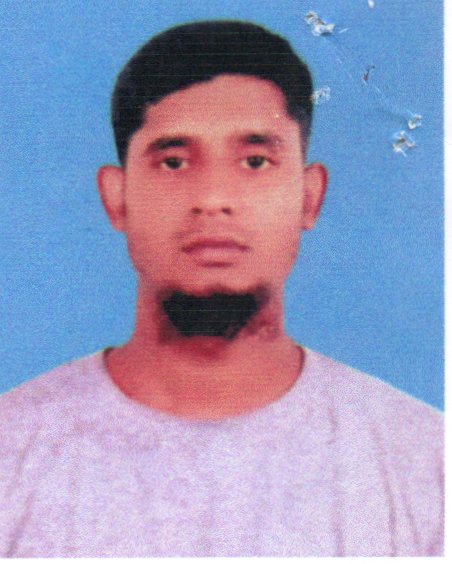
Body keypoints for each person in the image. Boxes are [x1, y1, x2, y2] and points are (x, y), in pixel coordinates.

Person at [0, 20, 443, 557]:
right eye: (174, 162)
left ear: (310, 196)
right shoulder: (12, 451)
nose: (213, 199)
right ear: (117, 197)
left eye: (255, 161)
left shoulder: (424, 463)